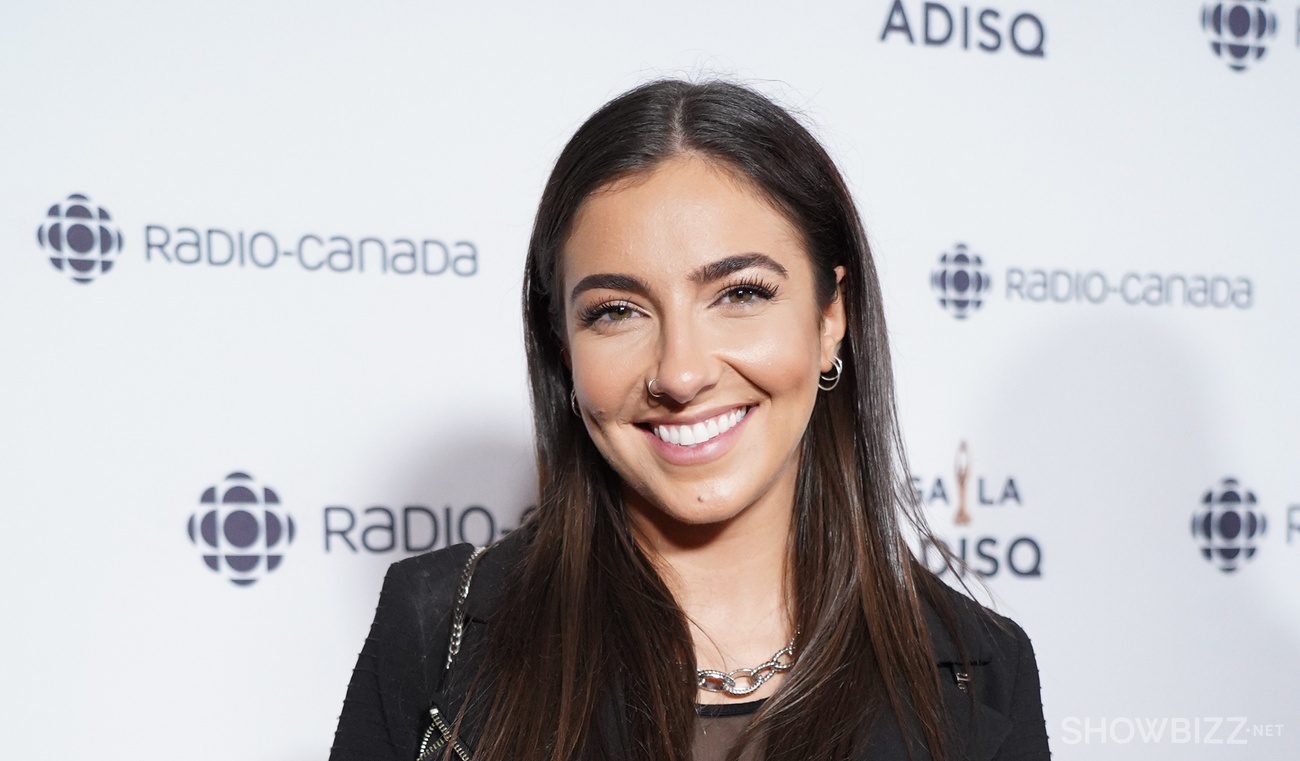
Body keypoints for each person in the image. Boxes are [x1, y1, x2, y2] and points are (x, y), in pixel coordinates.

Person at [329, 79, 1050, 761]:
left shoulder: (976, 671)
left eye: (740, 293)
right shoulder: (437, 629)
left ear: (832, 317)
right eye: (617, 311)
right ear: (563, 346)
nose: (679, 372)